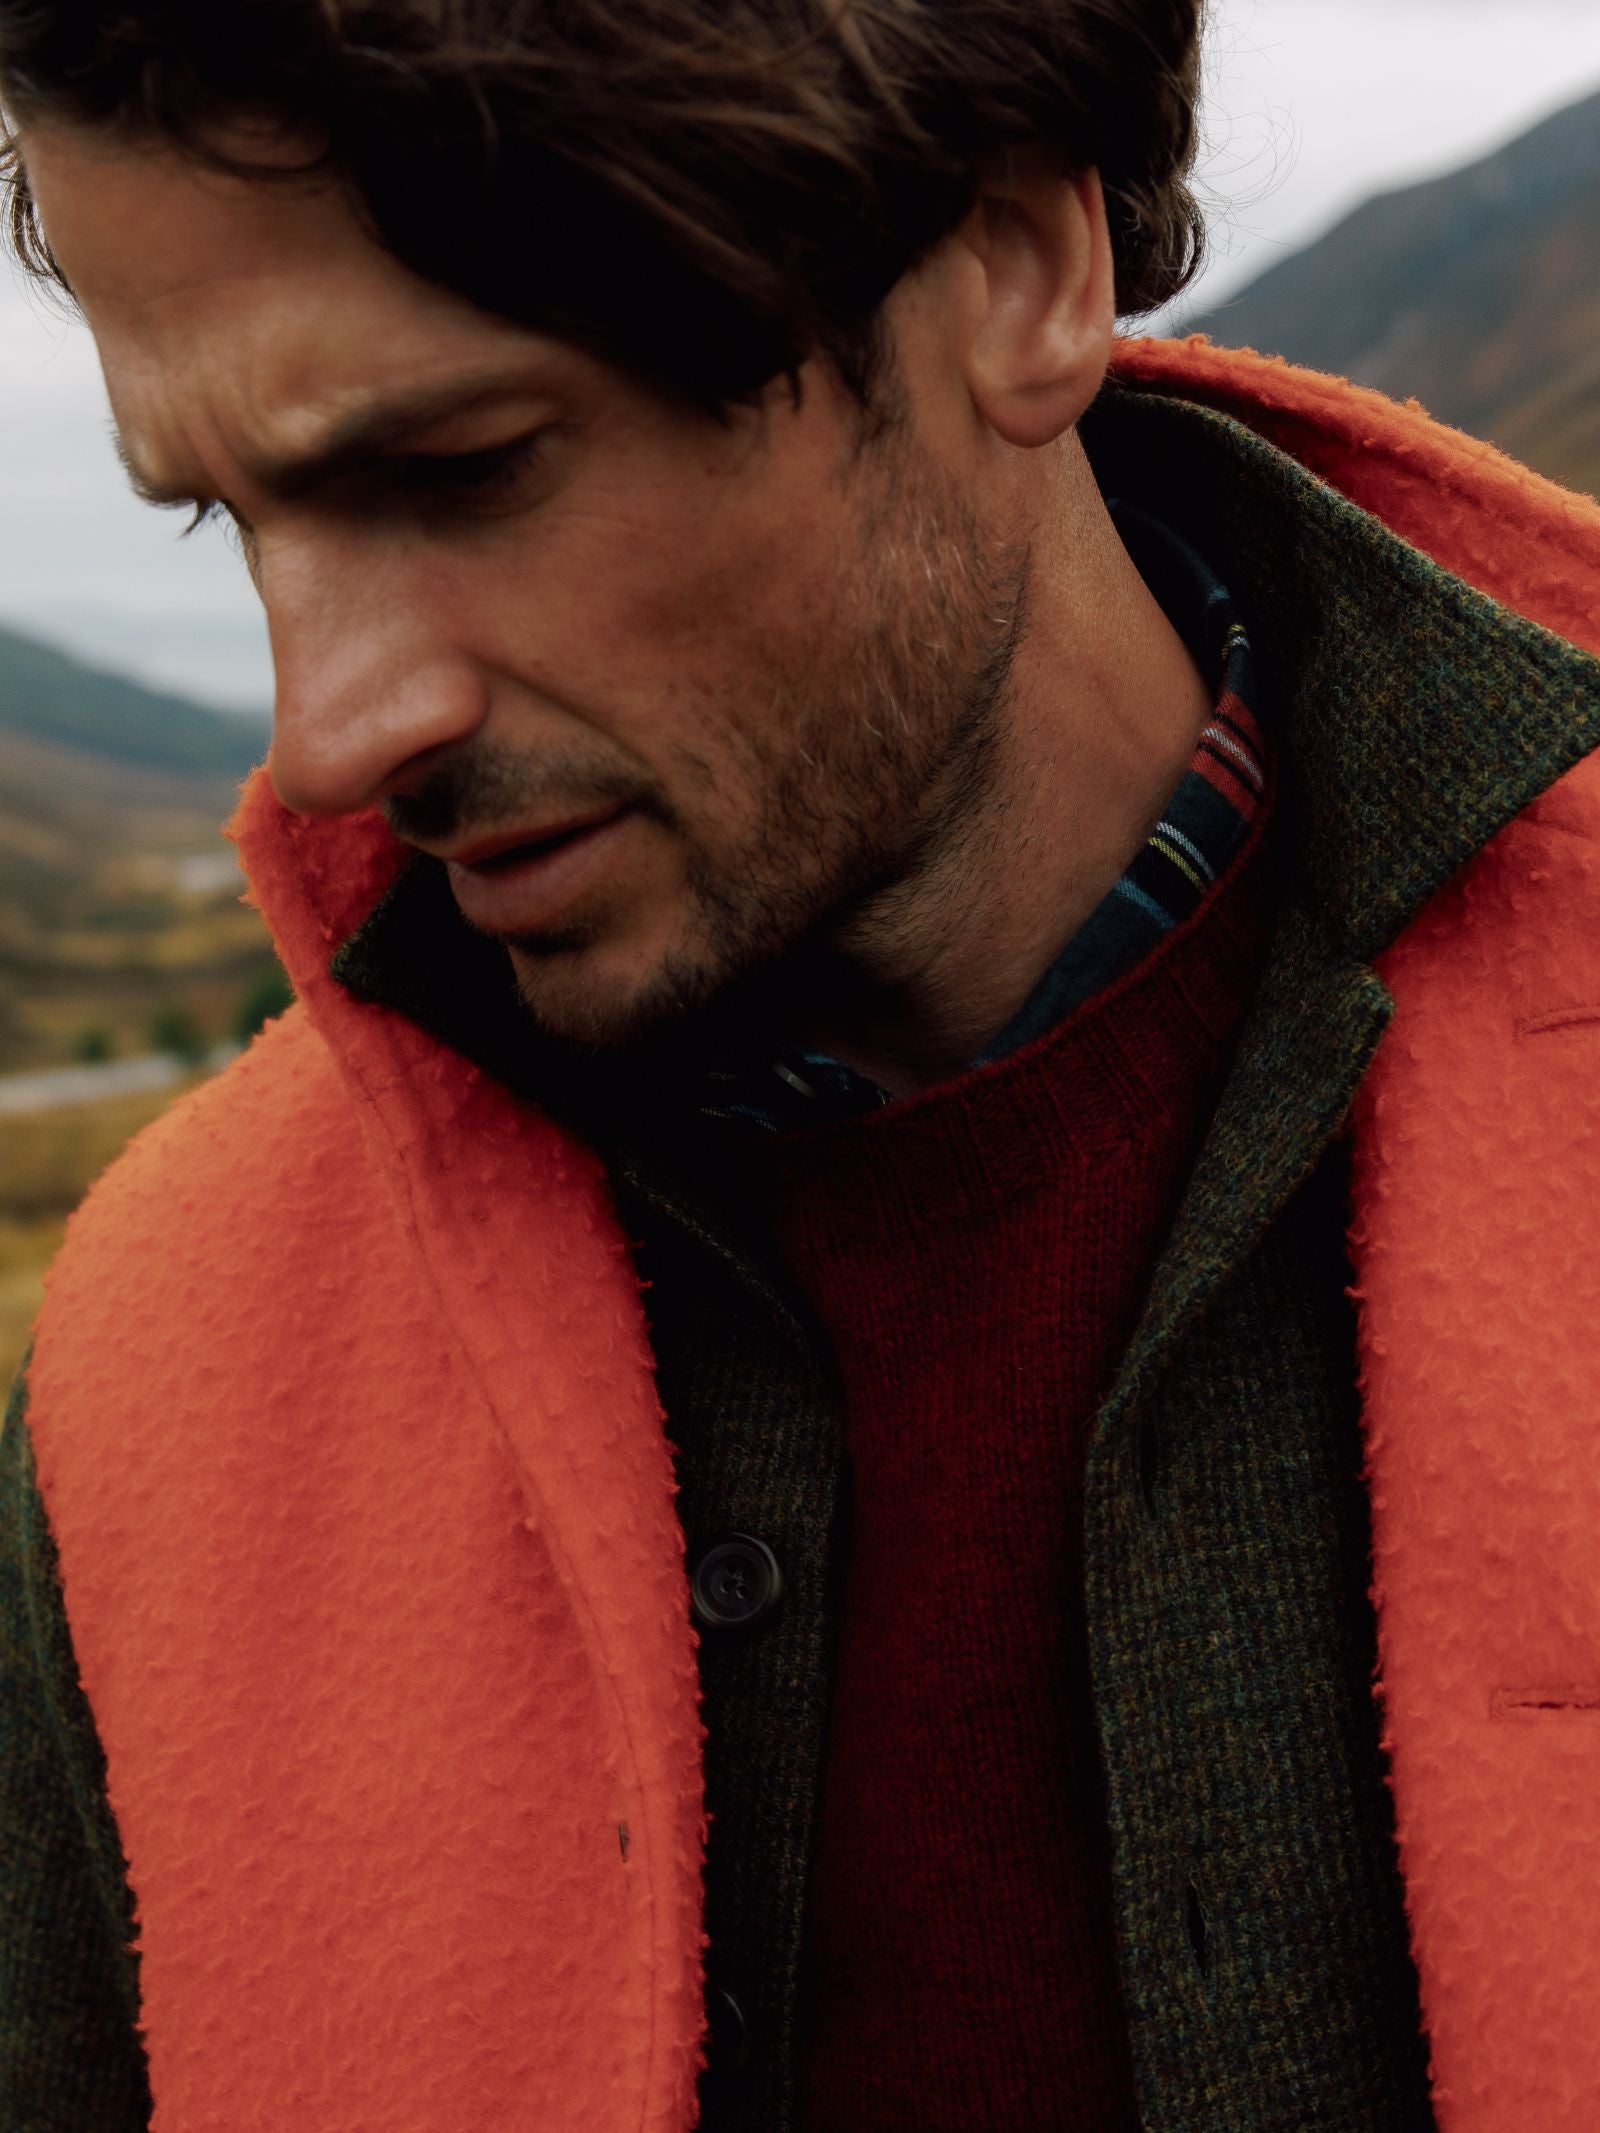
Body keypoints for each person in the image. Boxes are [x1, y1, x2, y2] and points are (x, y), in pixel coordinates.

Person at [4, 2, 1600, 2128]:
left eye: (462, 467)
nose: (329, 728)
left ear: (1012, 270)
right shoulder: (159, 1368)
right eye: (229, 520)